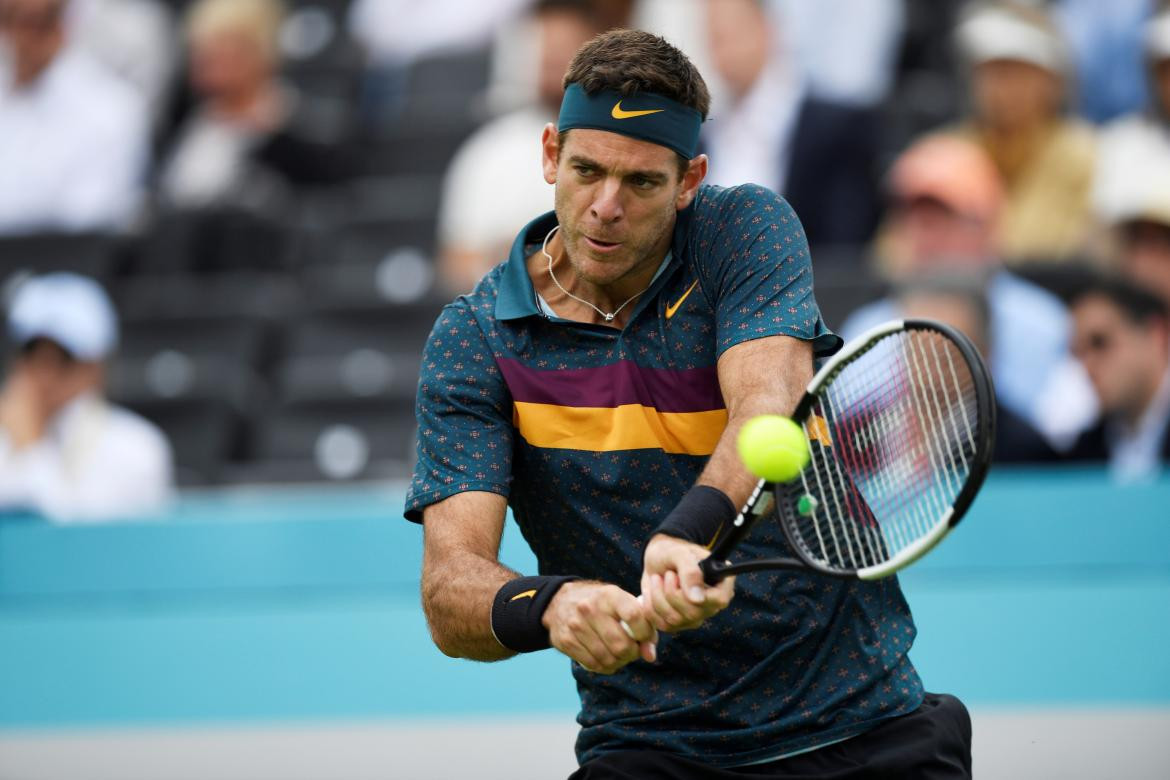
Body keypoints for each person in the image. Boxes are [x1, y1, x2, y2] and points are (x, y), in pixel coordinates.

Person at [408, 29, 972, 778]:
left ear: (689, 178)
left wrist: (691, 531)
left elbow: (766, 402)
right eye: (586, 170)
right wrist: (553, 607)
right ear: (550, 155)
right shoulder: (475, 341)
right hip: (652, 748)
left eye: (641, 182)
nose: (606, 206)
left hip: (861, 726)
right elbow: (451, 588)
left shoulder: (743, 233)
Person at [844, 133, 1095, 449]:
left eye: (943, 219)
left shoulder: (1046, 322)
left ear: (989, 227)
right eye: (914, 219)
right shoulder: (863, 330)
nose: (926, 238)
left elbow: (1062, 435)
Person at [436, 0, 603, 294]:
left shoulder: (630, 143)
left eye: (567, 46)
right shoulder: (490, 150)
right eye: (544, 46)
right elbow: (455, 261)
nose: (553, 58)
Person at [701, 0, 881, 249]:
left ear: (766, 29)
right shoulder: (705, 134)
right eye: (714, 39)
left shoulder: (835, 128)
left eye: (732, 35)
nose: (724, 53)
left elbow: (844, 251)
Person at [0, 273, 173, 521]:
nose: (44, 374)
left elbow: (73, 542)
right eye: (31, 355)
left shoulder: (136, 449)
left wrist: (30, 451)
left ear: (96, 367)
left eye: (64, 359)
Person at [952, 1, 1096, 263]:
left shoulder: (1079, 154)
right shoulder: (947, 151)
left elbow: (1030, 251)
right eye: (990, 71)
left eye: (1016, 72)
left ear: (1052, 82)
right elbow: (895, 255)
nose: (999, 88)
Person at [0, 0, 149, 233]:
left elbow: (90, 220)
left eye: (34, 23)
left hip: (60, 261)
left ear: (61, 23)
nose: (19, 36)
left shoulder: (110, 109)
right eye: (8, 19)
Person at [896, 274, 1060, 464]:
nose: (929, 376)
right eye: (919, 354)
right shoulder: (862, 438)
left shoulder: (1025, 449)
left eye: (946, 359)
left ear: (985, 354)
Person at [1066, 274, 1170, 482]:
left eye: (1100, 343)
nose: (1087, 366)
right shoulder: (1083, 452)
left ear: (1155, 335)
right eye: (1078, 353)